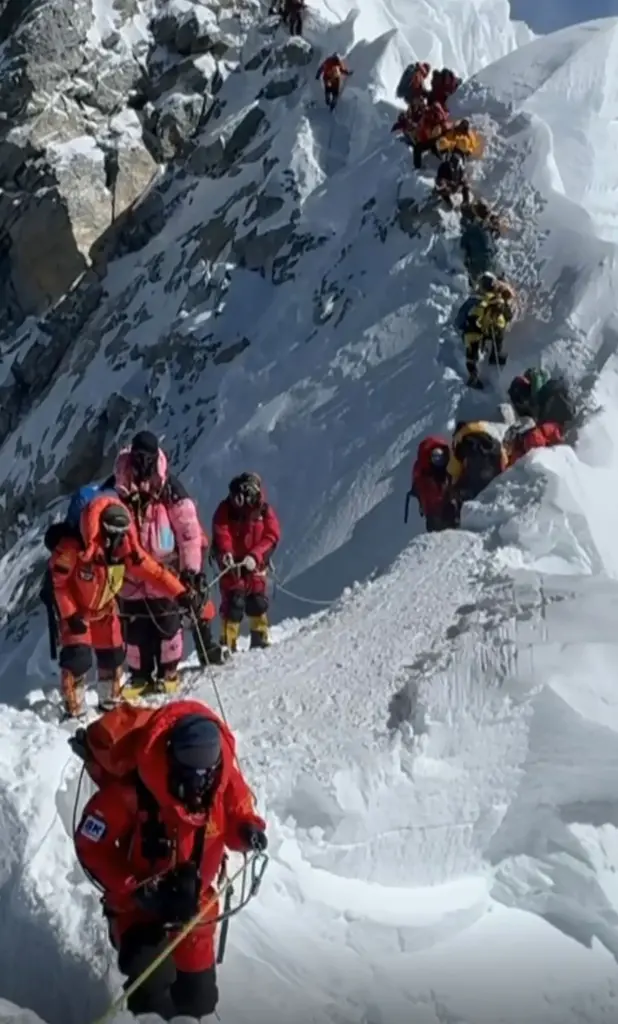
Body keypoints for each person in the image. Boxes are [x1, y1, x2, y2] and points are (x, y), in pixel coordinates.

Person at [73, 701, 267, 1020]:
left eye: (208, 772)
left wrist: (249, 831)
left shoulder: (223, 777)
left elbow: (237, 814)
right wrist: (134, 890)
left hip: (195, 907)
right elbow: (91, 844)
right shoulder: (136, 788)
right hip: (139, 908)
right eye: (193, 772)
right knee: (153, 992)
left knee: (199, 1000)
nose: (201, 783)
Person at [48, 493, 191, 719]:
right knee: (78, 658)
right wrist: (70, 613)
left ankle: (109, 701)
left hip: (105, 610)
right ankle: (73, 708)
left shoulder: (127, 551)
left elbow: (154, 572)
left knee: (113, 655)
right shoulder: (72, 548)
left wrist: (180, 592)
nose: (119, 540)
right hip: (78, 613)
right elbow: (59, 584)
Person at [107, 431, 225, 697]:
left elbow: (188, 532)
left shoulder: (169, 486)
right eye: (138, 457)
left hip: (165, 570)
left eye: (146, 458)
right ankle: (140, 675)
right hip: (131, 572)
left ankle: (168, 671)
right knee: (136, 628)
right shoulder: (118, 484)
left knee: (168, 623)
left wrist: (191, 571)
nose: (141, 464)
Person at [212, 473, 281, 652]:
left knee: (257, 601)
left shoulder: (264, 511)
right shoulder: (225, 509)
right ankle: (227, 643)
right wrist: (226, 552)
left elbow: (272, 536)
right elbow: (221, 531)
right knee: (234, 603)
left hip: (254, 565)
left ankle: (260, 637)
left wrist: (256, 556)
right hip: (232, 566)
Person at [458, 293, 510, 388]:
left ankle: (495, 356)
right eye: (496, 310)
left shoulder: (499, 316)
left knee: (499, 335)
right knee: (472, 348)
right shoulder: (479, 310)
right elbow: (472, 325)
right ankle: (473, 376)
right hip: (475, 330)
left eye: (499, 310)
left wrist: (496, 330)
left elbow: (502, 324)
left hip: (486, 330)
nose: (498, 312)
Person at [448, 421, 508, 502]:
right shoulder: (493, 440)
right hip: (495, 480)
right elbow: (504, 459)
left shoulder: (463, 444)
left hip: (476, 484)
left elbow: (453, 470)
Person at [411, 437, 459, 531]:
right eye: (435, 457)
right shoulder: (427, 475)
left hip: (439, 511)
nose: (438, 460)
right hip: (435, 512)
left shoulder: (425, 472)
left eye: (440, 457)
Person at [460, 197, 507, 286]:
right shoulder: (486, 228)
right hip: (491, 261)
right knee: (500, 282)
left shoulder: (471, 229)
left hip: (479, 265)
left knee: (479, 286)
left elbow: (463, 245)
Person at [412, 102, 450, 169]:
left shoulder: (431, 114)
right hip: (435, 136)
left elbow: (427, 126)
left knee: (417, 148)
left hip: (433, 137)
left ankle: (417, 167)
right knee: (433, 147)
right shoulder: (440, 113)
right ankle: (440, 159)